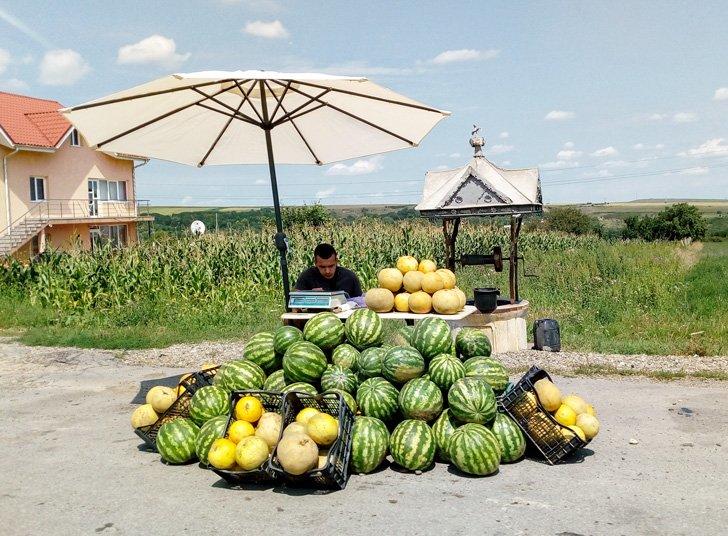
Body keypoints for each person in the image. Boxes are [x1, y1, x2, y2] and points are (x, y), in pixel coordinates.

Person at [294, 243, 363, 298]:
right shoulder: (306, 276)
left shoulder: (349, 277)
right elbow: (295, 302)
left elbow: (360, 303)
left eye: (331, 266)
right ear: (315, 263)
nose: (327, 271)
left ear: (336, 261)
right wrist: (309, 296)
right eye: (322, 267)